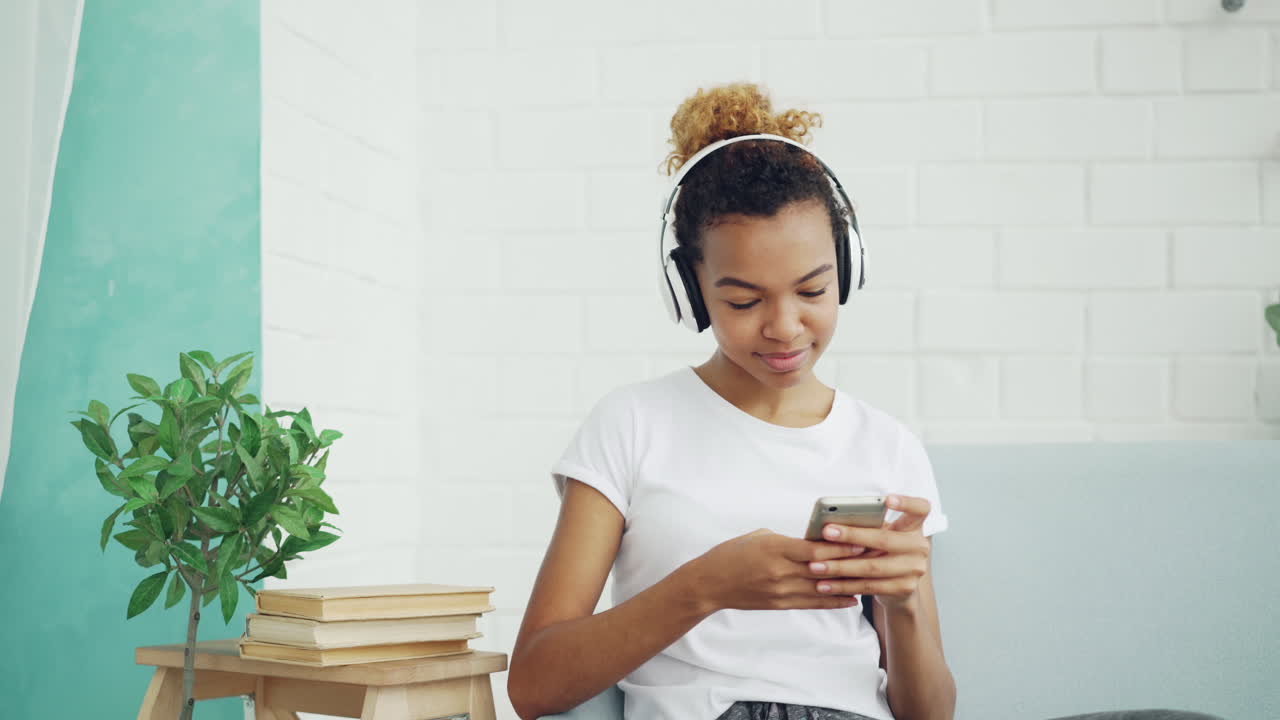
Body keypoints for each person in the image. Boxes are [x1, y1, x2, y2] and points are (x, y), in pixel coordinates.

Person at [506, 83, 1221, 720]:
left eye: (813, 291)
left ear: (849, 269)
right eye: (744, 299)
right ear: (690, 292)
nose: (785, 327)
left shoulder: (887, 445)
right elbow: (533, 685)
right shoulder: (631, 425)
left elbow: (930, 713)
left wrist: (905, 601)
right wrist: (705, 586)